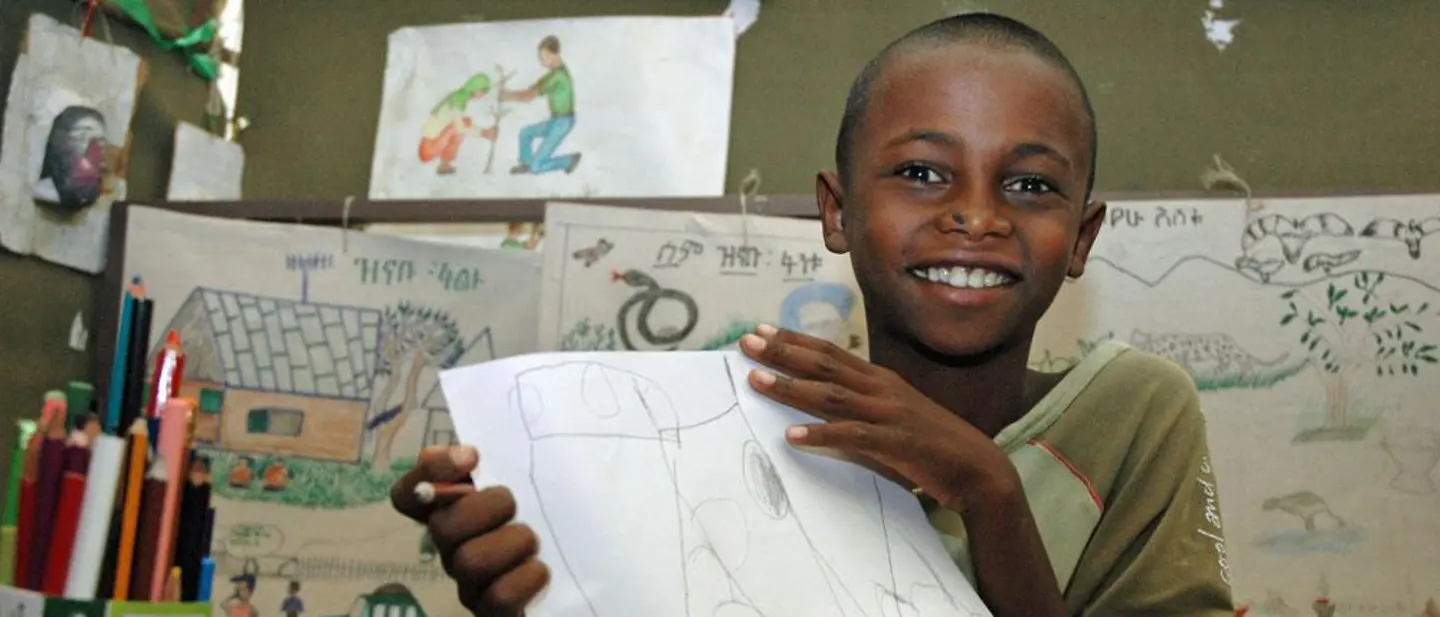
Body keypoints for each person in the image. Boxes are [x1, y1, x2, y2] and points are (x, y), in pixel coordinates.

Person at [391, 12, 1235, 617]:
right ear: (835, 212)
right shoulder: (729, 439)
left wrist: (989, 493)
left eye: (1031, 185)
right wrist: (543, 589)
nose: (979, 216)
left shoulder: (1133, 413)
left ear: (1082, 235)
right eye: (922, 172)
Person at [501, 35, 581, 175]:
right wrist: (508, 94)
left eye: (543, 56)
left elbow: (528, 97)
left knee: (537, 167)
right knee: (525, 133)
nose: (541, 61)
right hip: (556, 120)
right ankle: (526, 164)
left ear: (553, 54)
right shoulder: (553, 74)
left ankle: (569, 161)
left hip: (563, 122)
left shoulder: (558, 77)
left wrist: (506, 96)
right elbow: (530, 91)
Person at [418, 73, 497, 175]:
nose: (483, 95)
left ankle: (445, 164)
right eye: (482, 90)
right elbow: (460, 127)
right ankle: (444, 164)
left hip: (433, 142)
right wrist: (483, 133)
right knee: (459, 128)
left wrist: (483, 131)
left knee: (466, 122)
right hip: (429, 146)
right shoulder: (458, 100)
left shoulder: (460, 97)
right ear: (475, 88)